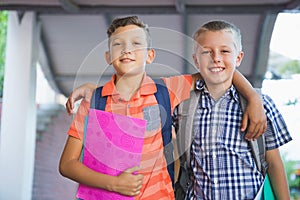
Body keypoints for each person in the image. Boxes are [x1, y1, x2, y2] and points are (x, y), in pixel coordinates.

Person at [59, 16, 266, 200]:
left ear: (150, 56)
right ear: (108, 56)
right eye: (118, 44)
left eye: (136, 43)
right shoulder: (93, 102)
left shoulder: (167, 90)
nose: (127, 49)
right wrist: (113, 184)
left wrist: (253, 97)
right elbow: (67, 164)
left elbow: (216, 70)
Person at [174, 20, 292, 199]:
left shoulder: (262, 105)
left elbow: (274, 162)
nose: (216, 58)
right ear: (196, 60)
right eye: (207, 52)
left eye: (225, 51)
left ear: (238, 58)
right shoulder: (181, 107)